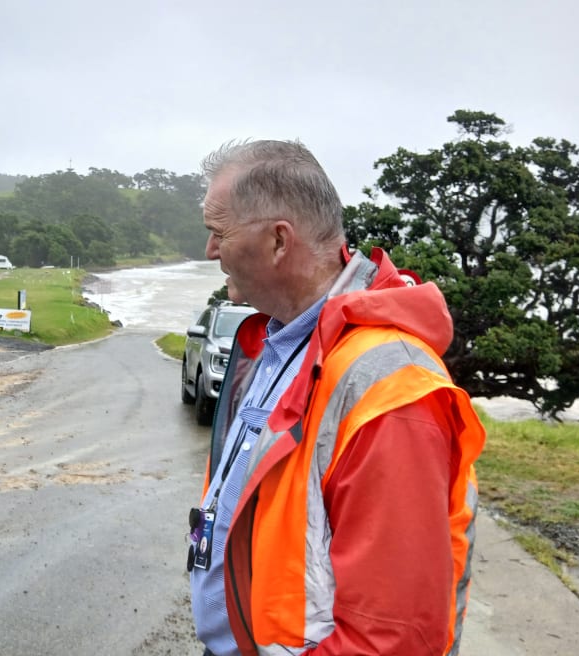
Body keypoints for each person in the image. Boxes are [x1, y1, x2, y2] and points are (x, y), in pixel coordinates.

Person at [188, 141, 485, 656]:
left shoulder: (389, 383)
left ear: (279, 241)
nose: (211, 251)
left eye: (219, 233)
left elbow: (391, 637)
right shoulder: (283, 339)